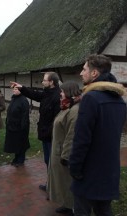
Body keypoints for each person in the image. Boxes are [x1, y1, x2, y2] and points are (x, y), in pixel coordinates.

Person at [69, 54, 127, 216]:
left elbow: (82, 139)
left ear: (94, 73)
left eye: (84, 69)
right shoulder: (120, 101)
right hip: (109, 171)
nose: (81, 73)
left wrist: (75, 167)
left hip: (89, 173)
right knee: (104, 211)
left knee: (82, 212)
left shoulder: (91, 99)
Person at [10, 71, 61, 190]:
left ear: (51, 82)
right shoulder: (47, 93)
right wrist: (21, 87)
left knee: (52, 162)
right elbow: (34, 94)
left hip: (51, 136)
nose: (42, 82)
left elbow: (57, 120)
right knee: (47, 160)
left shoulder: (56, 96)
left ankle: (54, 187)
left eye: (44, 80)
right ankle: (50, 184)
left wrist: (48, 132)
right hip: (45, 135)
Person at [47, 81, 81, 215]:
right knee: (61, 182)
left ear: (68, 92)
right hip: (57, 150)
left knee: (67, 182)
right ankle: (66, 204)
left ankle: (72, 207)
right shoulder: (67, 106)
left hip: (63, 154)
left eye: (62, 91)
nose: (60, 94)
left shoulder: (75, 110)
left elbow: (71, 136)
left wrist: (65, 157)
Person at [4, 87, 30, 167]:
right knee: (15, 144)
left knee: (21, 144)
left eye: (16, 89)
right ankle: (16, 158)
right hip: (12, 126)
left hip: (20, 127)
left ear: (20, 91)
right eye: (14, 89)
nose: (14, 90)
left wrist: (23, 127)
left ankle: (21, 159)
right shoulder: (14, 99)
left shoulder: (23, 100)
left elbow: (25, 115)